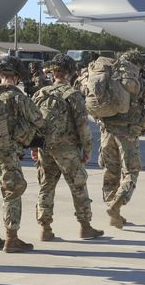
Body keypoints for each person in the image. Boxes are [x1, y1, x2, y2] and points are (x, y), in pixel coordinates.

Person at [0, 55, 44, 253]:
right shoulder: (17, 97)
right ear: (17, 77)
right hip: (8, 154)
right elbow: (39, 120)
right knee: (12, 194)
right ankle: (11, 238)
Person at [32, 54, 104, 240]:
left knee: (46, 186)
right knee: (78, 185)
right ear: (71, 73)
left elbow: (32, 122)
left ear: (53, 72)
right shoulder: (73, 95)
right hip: (67, 149)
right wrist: (87, 150)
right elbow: (83, 127)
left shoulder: (40, 93)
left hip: (45, 147)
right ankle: (85, 226)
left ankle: (45, 228)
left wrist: (33, 146)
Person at [98, 50, 145, 229]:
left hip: (106, 132)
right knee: (131, 172)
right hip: (128, 134)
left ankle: (113, 209)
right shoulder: (141, 84)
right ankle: (116, 205)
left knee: (111, 171)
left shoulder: (109, 80)